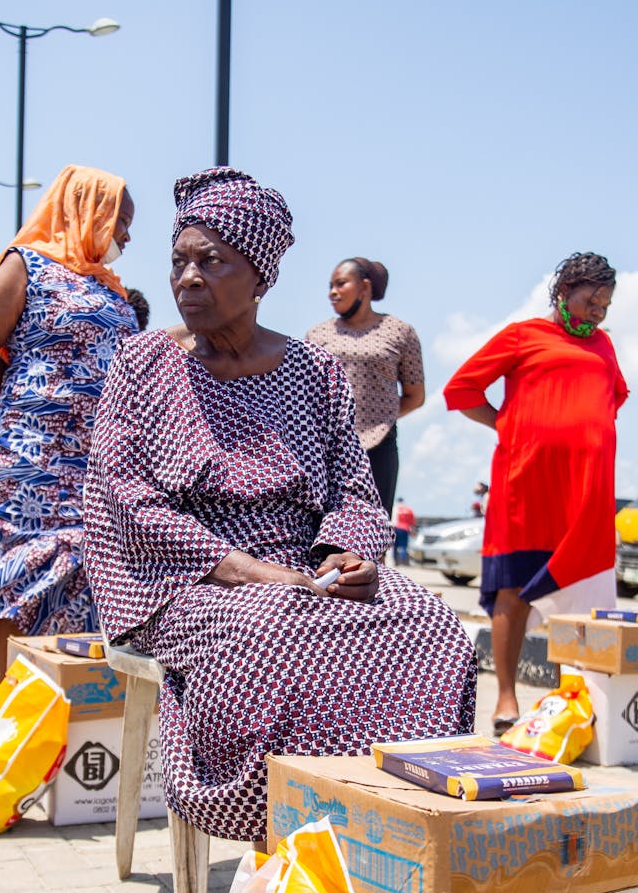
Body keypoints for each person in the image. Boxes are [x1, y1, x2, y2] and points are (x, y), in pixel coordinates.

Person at [84, 167, 476, 843]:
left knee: (427, 619)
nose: (188, 278)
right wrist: (246, 570)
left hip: (300, 569)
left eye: (211, 261)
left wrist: (344, 555)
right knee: (271, 628)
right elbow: (125, 496)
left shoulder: (313, 371)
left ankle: (394, 819)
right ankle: (284, 821)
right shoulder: (142, 363)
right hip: (176, 577)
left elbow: (353, 485)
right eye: (178, 261)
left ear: (260, 277)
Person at [0, 165, 138, 693]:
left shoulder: (106, 284)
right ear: (85, 211)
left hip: (98, 454)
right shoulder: (25, 265)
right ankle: (2, 710)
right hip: (32, 451)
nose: (125, 235)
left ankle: (63, 711)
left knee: (86, 565)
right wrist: (33, 399)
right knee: (32, 565)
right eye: (119, 220)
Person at [444, 252, 628, 736]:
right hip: (525, 486)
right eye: (592, 300)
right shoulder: (523, 336)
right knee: (512, 590)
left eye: (606, 305)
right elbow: (463, 389)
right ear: (565, 289)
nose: (598, 312)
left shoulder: (605, 345)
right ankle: (506, 697)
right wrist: (507, 421)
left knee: (585, 597)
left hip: (584, 496)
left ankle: (581, 702)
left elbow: (612, 400)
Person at [306, 257, 425, 517]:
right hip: (326, 446)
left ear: (365, 287)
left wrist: (378, 419)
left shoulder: (400, 332)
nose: (332, 293)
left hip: (380, 446)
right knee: (322, 530)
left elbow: (415, 396)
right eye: (330, 286)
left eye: (340, 284)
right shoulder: (317, 336)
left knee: (374, 529)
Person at [391, 497, 416, 565]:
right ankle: (403, 562)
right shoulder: (408, 509)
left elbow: (392, 520)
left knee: (395, 546)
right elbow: (413, 522)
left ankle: (396, 562)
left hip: (396, 528)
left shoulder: (395, 509)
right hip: (405, 529)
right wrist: (413, 532)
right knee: (403, 546)